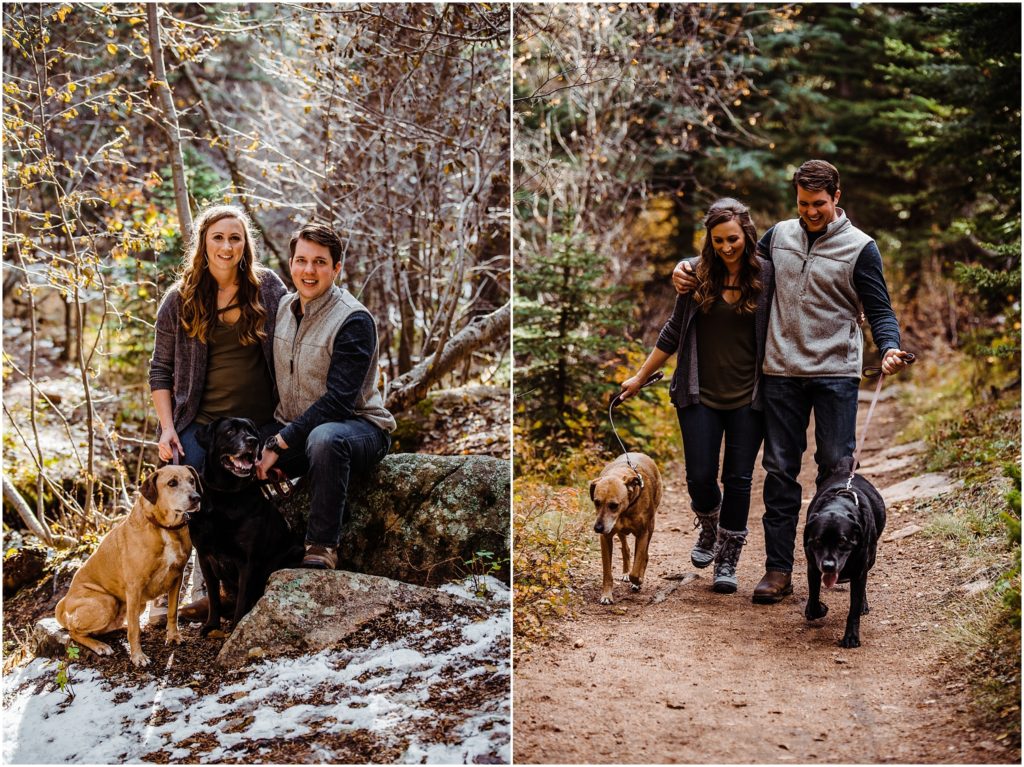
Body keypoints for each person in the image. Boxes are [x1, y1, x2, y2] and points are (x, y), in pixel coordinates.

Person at [673, 160, 910, 604]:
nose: (811, 212)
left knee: (836, 469)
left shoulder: (861, 248)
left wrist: (889, 346)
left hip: (836, 373)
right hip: (781, 372)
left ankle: (835, 559)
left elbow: (880, 309)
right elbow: (731, 257)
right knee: (780, 472)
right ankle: (778, 570)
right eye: (803, 203)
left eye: (819, 203)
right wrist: (684, 266)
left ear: (836, 197)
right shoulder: (779, 235)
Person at [619, 198, 774, 593]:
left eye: (733, 239)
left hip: (749, 396)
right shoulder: (694, 275)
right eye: (718, 240)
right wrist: (639, 377)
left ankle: (728, 557)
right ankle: (709, 523)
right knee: (700, 476)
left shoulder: (768, 274)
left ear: (747, 235)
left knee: (739, 478)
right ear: (709, 240)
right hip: (698, 393)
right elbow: (673, 331)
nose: (726, 247)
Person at [149, 204, 287, 619]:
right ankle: (184, 590)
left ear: (246, 245)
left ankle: (252, 578)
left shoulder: (267, 288)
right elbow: (160, 370)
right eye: (218, 238)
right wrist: (168, 428)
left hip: (262, 423)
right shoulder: (180, 300)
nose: (227, 246)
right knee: (187, 482)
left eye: (235, 238)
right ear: (203, 244)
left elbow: (297, 341)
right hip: (203, 424)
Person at [256, 222, 395, 570]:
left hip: (356, 428)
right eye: (302, 260)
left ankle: (322, 546)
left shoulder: (353, 319)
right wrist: (266, 441)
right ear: (291, 264)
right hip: (293, 427)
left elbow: (339, 402)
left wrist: (279, 443)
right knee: (235, 447)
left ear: (336, 268)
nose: (309, 270)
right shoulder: (284, 308)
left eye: (320, 262)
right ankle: (241, 564)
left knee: (325, 438)